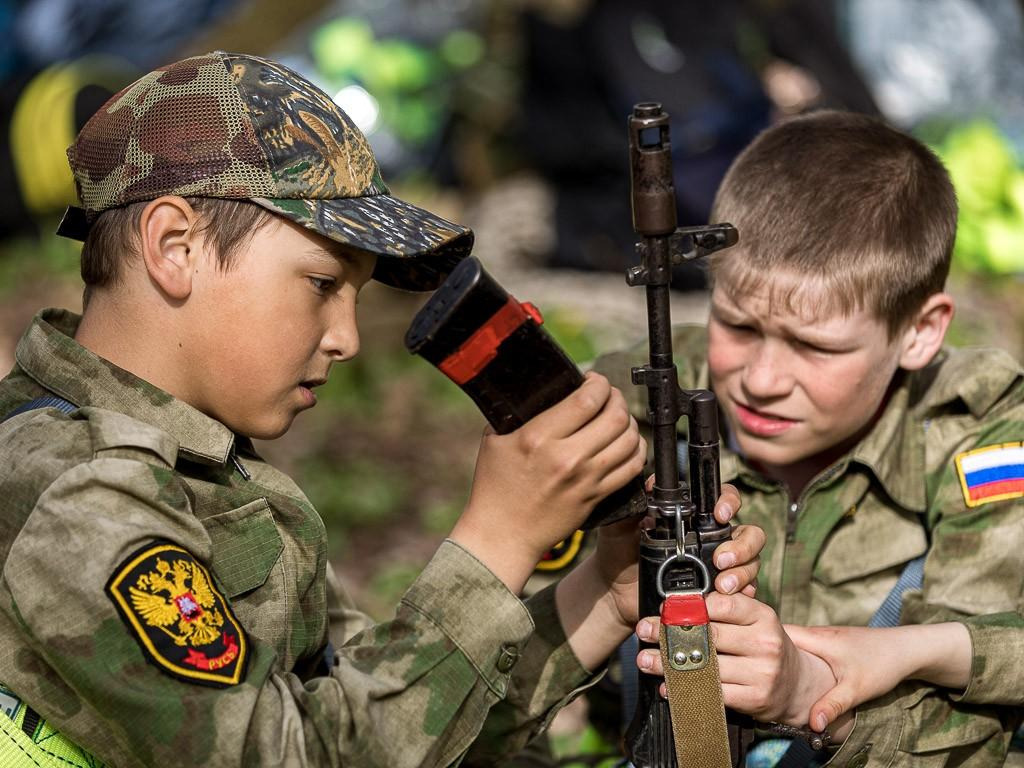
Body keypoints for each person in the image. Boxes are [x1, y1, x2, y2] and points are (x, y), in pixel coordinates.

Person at [0, 52, 765, 767]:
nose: (347, 338)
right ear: (175, 246)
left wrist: (598, 596)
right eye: (322, 284)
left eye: (356, 296)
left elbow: (383, 727)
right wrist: (498, 538)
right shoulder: (82, 500)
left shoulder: (193, 464)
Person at [591, 109, 1023, 766]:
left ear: (919, 332)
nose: (761, 381)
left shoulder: (977, 428)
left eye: (816, 347)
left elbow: (985, 718)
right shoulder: (630, 404)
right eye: (739, 326)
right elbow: (514, 683)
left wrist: (812, 698)